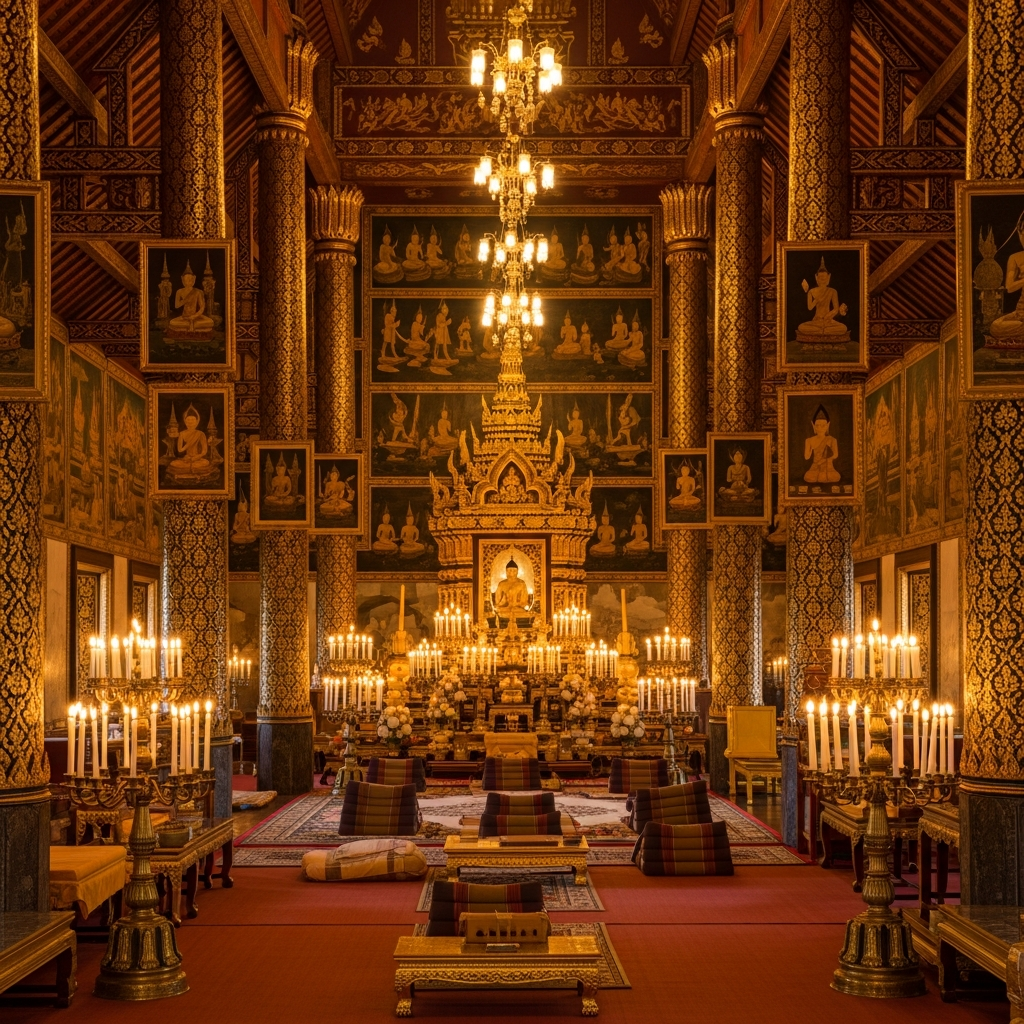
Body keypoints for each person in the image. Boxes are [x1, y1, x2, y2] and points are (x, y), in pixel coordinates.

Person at [987, 211, 1024, 347]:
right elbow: (1009, 287)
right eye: (1022, 231)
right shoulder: (1015, 258)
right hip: (1021, 312)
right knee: (996, 326)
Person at [795, 257, 849, 344]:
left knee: (843, 328)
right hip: (816, 321)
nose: (822, 280)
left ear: (829, 277)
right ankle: (822, 331)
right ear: (816, 278)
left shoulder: (832, 291)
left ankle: (822, 331)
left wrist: (828, 316)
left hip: (828, 321)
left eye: (824, 278)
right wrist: (816, 300)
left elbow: (835, 309)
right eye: (820, 278)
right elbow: (810, 308)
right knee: (801, 327)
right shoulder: (811, 292)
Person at [168, 261, 214, 334]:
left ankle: (191, 328)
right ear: (182, 279)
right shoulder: (179, 291)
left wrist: (194, 316)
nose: (188, 282)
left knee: (210, 322)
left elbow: (202, 307)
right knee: (172, 322)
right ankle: (196, 329)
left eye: (190, 280)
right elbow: (176, 306)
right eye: (186, 280)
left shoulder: (198, 292)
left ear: (194, 279)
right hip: (184, 317)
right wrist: (185, 300)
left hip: (196, 317)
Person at [803, 404, 841, 484]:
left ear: (828, 426)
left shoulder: (832, 439)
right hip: (815, 466)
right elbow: (806, 457)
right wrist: (810, 448)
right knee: (809, 477)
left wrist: (824, 460)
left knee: (834, 477)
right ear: (813, 426)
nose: (820, 428)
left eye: (823, 425)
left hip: (828, 467)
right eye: (817, 425)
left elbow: (835, 455)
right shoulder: (809, 440)